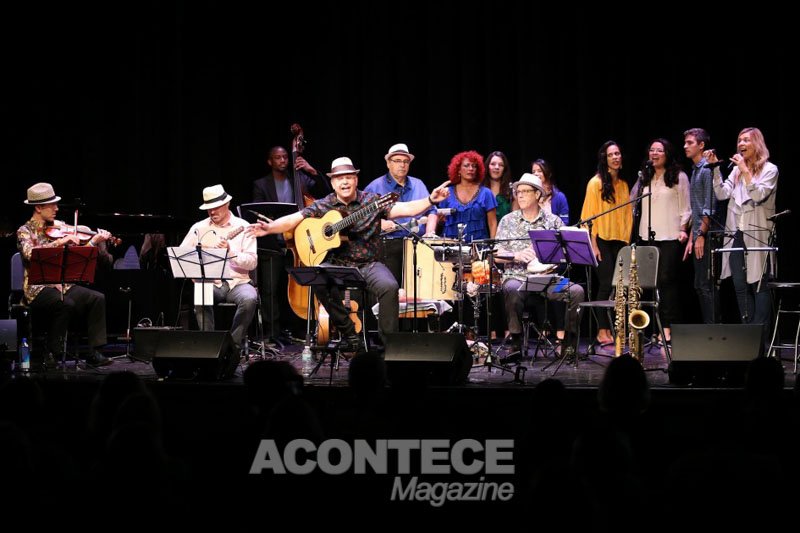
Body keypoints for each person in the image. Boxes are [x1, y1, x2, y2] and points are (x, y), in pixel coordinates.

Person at [247, 156, 450, 351]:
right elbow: (295, 218)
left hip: (369, 263)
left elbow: (405, 208)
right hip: (337, 263)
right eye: (339, 178)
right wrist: (270, 228)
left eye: (349, 177)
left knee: (390, 287)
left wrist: (430, 200)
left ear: (356, 180)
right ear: (333, 183)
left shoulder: (372, 200)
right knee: (315, 278)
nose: (344, 182)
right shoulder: (324, 205)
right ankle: (349, 333)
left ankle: (390, 345)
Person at [16, 182, 113, 367]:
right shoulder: (24, 231)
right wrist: (61, 242)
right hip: (37, 289)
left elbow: (79, 254)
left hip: (63, 285)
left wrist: (93, 242)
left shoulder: (59, 228)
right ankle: (53, 353)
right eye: (52, 205)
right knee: (64, 303)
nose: (56, 208)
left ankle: (95, 353)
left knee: (96, 298)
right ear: (38, 207)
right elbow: (31, 254)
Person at [495, 173, 585, 357]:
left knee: (576, 291)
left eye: (525, 191)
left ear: (537, 195)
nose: (519, 195)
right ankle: (517, 342)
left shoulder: (553, 221)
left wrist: (549, 255)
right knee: (511, 288)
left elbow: (567, 254)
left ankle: (568, 343)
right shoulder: (508, 220)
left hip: (548, 280)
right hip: (518, 278)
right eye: (517, 191)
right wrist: (516, 256)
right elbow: (496, 254)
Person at [252, 146, 329, 343]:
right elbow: (257, 211)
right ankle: (272, 333)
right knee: (270, 290)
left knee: (302, 287)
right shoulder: (261, 184)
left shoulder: (300, 179)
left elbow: (326, 193)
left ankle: (301, 328)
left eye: (285, 157)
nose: (283, 160)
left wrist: (312, 171)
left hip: (301, 244)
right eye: (277, 157)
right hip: (273, 245)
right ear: (270, 161)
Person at [711, 127, 778, 334]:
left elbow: (758, 195)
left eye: (746, 140)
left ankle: (761, 340)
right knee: (740, 285)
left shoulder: (770, 169)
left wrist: (745, 170)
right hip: (736, 234)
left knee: (758, 284)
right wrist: (714, 168)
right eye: (739, 140)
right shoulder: (737, 170)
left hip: (757, 234)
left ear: (756, 143)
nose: (741, 144)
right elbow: (722, 194)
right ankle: (748, 336)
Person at [180, 184, 258, 350]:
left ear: (227, 204)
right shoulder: (198, 228)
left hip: (238, 282)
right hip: (212, 283)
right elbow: (183, 256)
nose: (212, 212)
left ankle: (232, 346)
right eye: (209, 209)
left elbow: (252, 262)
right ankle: (210, 346)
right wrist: (195, 273)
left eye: (215, 208)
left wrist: (231, 252)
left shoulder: (243, 226)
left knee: (250, 298)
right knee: (201, 295)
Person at [630, 138, 691, 342]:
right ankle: (653, 330)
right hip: (647, 237)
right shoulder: (644, 178)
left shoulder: (678, 176)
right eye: (652, 150)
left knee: (666, 282)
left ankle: (667, 329)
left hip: (670, 236)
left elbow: (686, 207)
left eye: (659, 150)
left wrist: (683, 229)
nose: (654, 154)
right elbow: (632, 204)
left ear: (667, 154)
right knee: (649, 283)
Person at [579, 140, 632, 346]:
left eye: (618, 154)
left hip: (620, 241)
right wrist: (593, 243)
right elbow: (588, 216)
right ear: (605, 158)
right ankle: (602, 330)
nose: (616, 158)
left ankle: (617, 328)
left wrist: (627, 242)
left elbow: (628, 216)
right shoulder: (595, 183)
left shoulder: (624, 184)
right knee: (605, 283)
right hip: (600, 240)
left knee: (620, 286)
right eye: (611, 155)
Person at [364, 143, 436, 285]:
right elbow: (364, 219)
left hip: (418, 245)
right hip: (388, 247)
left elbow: (432, 211)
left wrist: (430, 232)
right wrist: (380, 224)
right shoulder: (375, 186)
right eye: (397, 161)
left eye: (405, 161)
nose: (402, 165)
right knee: (393, 289)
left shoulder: (418, 184)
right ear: (388, 163)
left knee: (420, 290)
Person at [682, 128, 721, 323]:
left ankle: (713, 331)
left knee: (706, 285)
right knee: (700, 285)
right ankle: (709, 330)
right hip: (698, 234)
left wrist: (701, 236)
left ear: (701, 145)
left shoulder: (707, 169)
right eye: (685, 143)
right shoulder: (695, 170)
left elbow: (710, 206)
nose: (685, 146)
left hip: (709, 235)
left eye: (690, 143)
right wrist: (691, 237)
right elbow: (696, 210)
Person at [430, 150, 497, 242]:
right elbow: (439, 220)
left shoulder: (486, 193)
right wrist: (440, 221)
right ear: (458, 170)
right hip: (451, 246)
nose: (471, 169)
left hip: (478, 248)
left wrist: (493, 245)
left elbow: (492, 223)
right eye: (466, 165)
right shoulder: (446, 192)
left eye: (474, 166)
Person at [531, 158, 569, 224]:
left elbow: (564, 222)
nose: (536, 174)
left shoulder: (560, 197)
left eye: (539, 171)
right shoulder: (531, 196)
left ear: (548, 173)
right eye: (533, 172)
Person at [483, 151, 515, 222]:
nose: (497, 167)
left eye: (501, 165)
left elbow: (516, 219)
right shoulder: (479, 190)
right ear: (487, 166)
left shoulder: (511, 190)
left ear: (504, 169)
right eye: (493, 164)